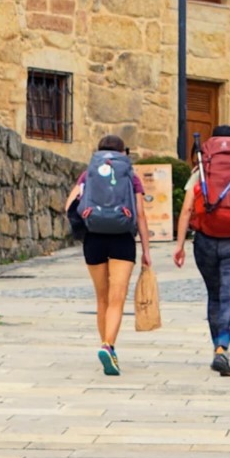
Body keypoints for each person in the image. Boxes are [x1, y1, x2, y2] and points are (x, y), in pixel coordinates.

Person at [173, 124, 230, 376]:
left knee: (214, 295)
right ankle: (222, 348)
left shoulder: (202, 171)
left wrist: (180, 245)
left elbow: (187, 211)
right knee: (229, 296)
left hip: (205, 241)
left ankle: (217, 346)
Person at [66, 133, 151, 374]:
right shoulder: (131, 177)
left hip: (94, 239)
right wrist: (146, 250)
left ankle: (106, 346)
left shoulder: (88, 175)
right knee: (117, 298)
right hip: (122, 239)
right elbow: (141, 215)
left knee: (101, 298)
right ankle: (108, 345)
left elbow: (68, 205)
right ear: (124, 154)